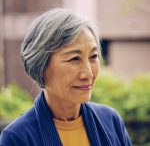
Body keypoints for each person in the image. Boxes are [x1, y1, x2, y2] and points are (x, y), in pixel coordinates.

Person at [0, 8, 132, 146]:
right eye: (74, 59)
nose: (88, 74)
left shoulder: (111, 121)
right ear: (41, 66)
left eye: (93, 57)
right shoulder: (17, 138)